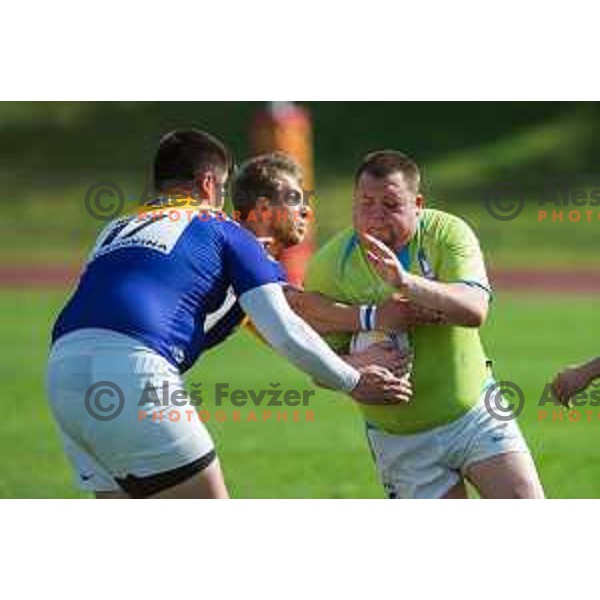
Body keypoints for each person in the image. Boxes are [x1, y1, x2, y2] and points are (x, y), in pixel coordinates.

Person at [46, 131, 410, 499]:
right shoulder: (227, 234)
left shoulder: (115, 228)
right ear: (207, 184)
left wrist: (348, 359)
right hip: (134, 372)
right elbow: (286, 322)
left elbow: (277, 323)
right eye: (221, 189)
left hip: (63, 376)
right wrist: (356, 375)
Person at [296, 150, 545, 499]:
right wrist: (356, 369)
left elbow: (475, 310)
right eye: (366, 203)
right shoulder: (330, 268)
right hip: (401, 440)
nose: (376, 215)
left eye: (391, 204)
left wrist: (407, 283)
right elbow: (317, 365)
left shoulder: (446, 232)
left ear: (418, 203)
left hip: (475, 411)